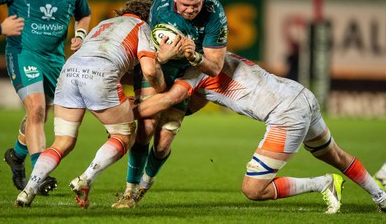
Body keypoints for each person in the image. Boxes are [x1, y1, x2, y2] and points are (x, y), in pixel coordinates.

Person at [129, 51, 386, 213]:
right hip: (301, 95)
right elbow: (191, 105)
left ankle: (323, 183)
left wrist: (125, 111)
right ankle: (381, 198)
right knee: (336, 155)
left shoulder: (195, 73)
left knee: (253, 190)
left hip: (285, 114)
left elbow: (168, 101)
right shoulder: (218, 57)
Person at [14, 0, 183, 208]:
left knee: (62, 142)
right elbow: (149, 70)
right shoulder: (143, 28)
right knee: (124, 134)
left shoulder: (103, 24)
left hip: (69, 71)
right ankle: (86, 178)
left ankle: (28, 190)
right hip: (100, 74)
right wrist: (162, 73)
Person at [113, 0, 228, 209]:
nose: (191, 10)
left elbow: (215, 67)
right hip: (160, 66)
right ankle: (129, 191)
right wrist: (162, 58)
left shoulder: (214, 12)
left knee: (163, 143)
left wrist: (194, 56)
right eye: (186, 5)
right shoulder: (161, 4)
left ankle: (146, 183)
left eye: (196, 4)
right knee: (146, 127)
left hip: (188, 70)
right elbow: (151, 47)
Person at [0, 0, 91, 195]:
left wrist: (81, 34)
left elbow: (84, 14)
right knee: (36, 108)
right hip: (23, 54)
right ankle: (39, 174)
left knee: (40, 115)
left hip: (54, 59)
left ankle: (16, 155)